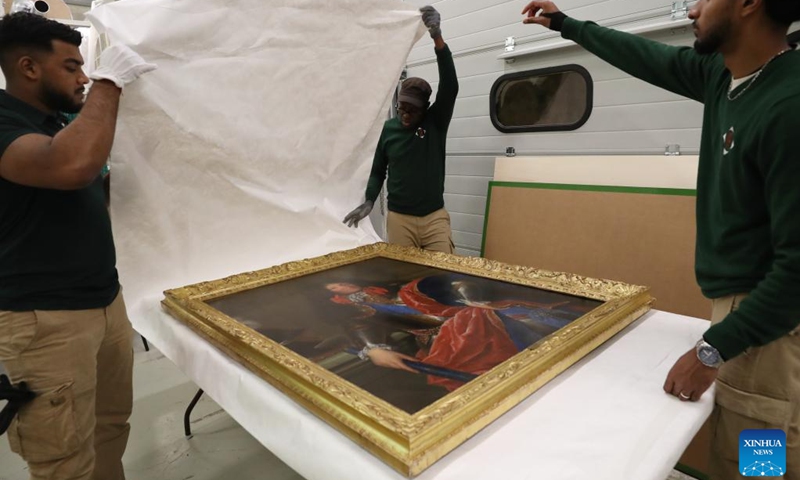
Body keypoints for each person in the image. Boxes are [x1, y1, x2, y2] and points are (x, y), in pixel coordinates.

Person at [521, 1, 800, 477]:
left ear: (750, 5)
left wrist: (714, 349)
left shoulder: (788, 107)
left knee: (756, 454)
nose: (692, 9)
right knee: (742, 437)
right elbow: (646, 57)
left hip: (766, 326)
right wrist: (568, 25)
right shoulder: (724, 77)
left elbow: (797, 271)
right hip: (742, 310)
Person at [0, 12, 155, 480]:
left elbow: (86, 185)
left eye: (86, 67)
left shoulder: (53, 122)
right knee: (64, 458)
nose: (83, 77)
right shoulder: (5, 123)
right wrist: (110, 83)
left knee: (109, 427)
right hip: (44, 319)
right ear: (29, 68)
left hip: (102, 301)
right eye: (72, 66)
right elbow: (70, 167)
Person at [344, 5, 459, 253]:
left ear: (425, 108)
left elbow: (450, 86)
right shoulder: (389, 130)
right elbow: (377, 171)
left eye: (413, 110)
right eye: (401, 108)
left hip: (433, 218)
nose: (405, 114)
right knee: (401, 280)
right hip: (399, 220)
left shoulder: (435, 122)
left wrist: (437, 38)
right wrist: (368, 202)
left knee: (444, 276)